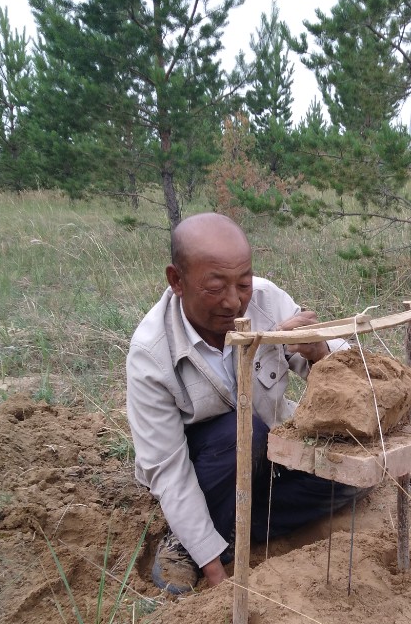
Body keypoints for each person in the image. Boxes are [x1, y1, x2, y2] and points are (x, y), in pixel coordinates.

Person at [126, 212, 356, 593]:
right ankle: (191, 542)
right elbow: (169, 471)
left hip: (271, 455)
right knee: (241, 431)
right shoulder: (151, 353)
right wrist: (215, 573)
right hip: (207, 471)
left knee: (350, 476)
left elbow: (347, 372)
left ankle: (238, 526)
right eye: (215, 287)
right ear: (177, 281)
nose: (234, 302)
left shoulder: (267, 300)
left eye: (243, 283)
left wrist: (320, 351)